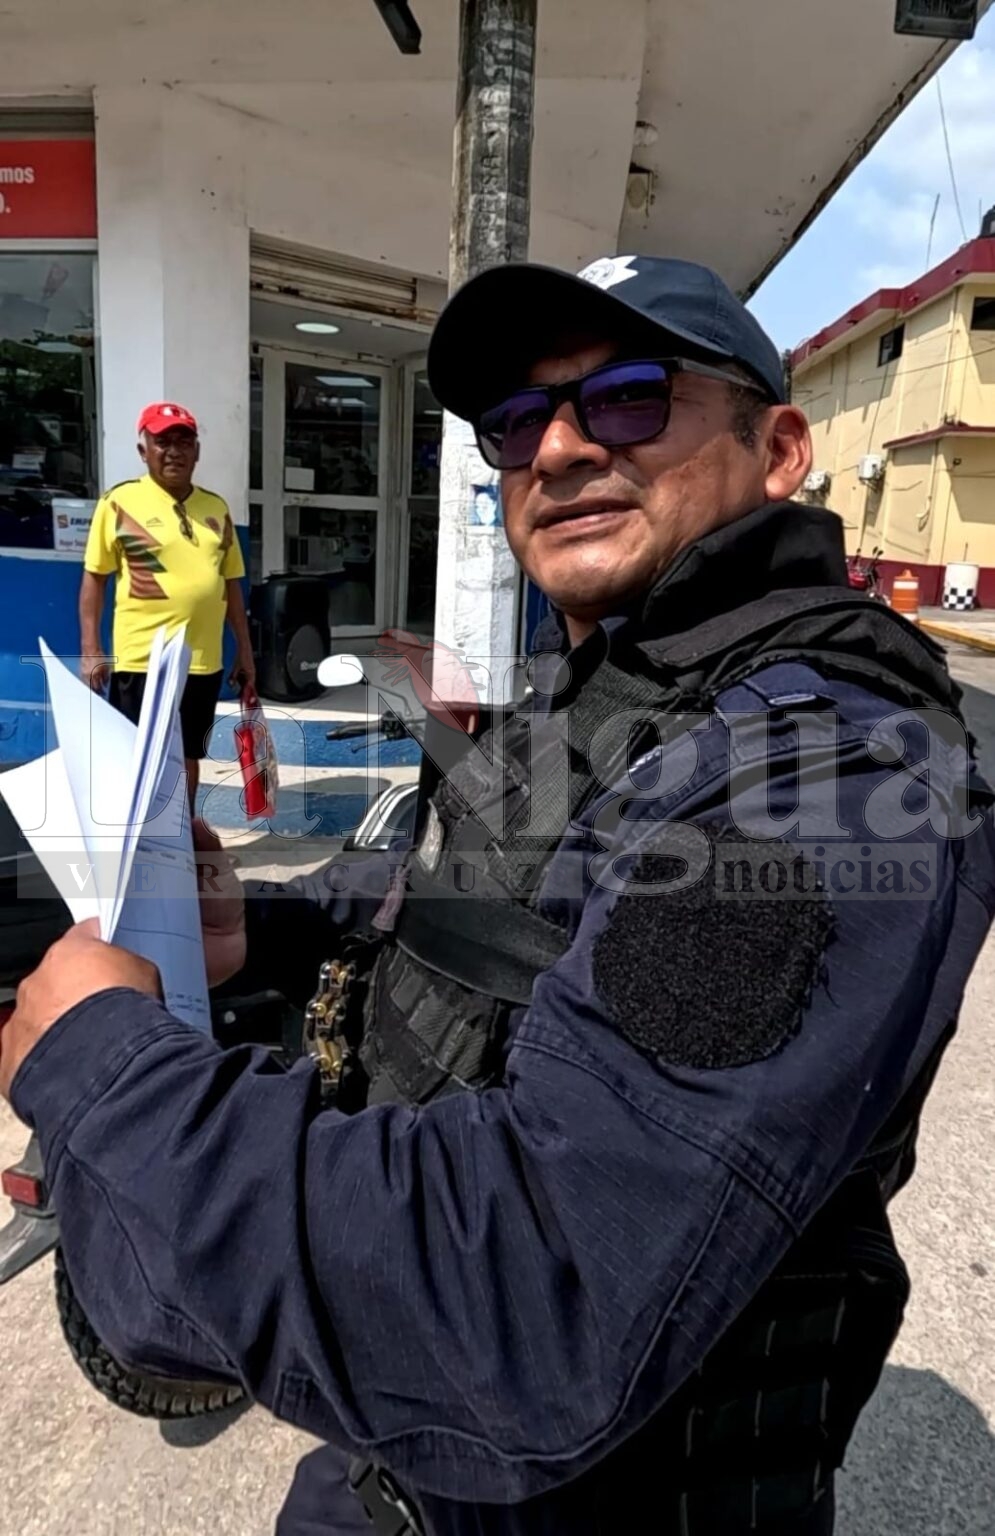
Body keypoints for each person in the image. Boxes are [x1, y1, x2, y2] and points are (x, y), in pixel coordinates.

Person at [4, 256, 995, 1536]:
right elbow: (483, 905)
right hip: (396, 1470)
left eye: (629, 397)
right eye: (518, 424)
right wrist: (267, 930)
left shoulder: (822, 776)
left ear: (780, 449)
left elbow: (531, 1294)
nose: (561, 449)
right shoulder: (615, 683)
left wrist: (104, 1074)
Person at [78, 401, 255, 808]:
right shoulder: (119, 502)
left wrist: (244, 650)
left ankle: (181, 833)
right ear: (144, 451)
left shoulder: (216, 507)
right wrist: (91, 649)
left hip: (202, 661)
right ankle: (137, 836)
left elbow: (231, 584)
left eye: (184, 441)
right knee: (137, 755)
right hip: (142, 660)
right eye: (163, 442)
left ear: (197, 451)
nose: (174, 451)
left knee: (189, 754)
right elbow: (95, 578)